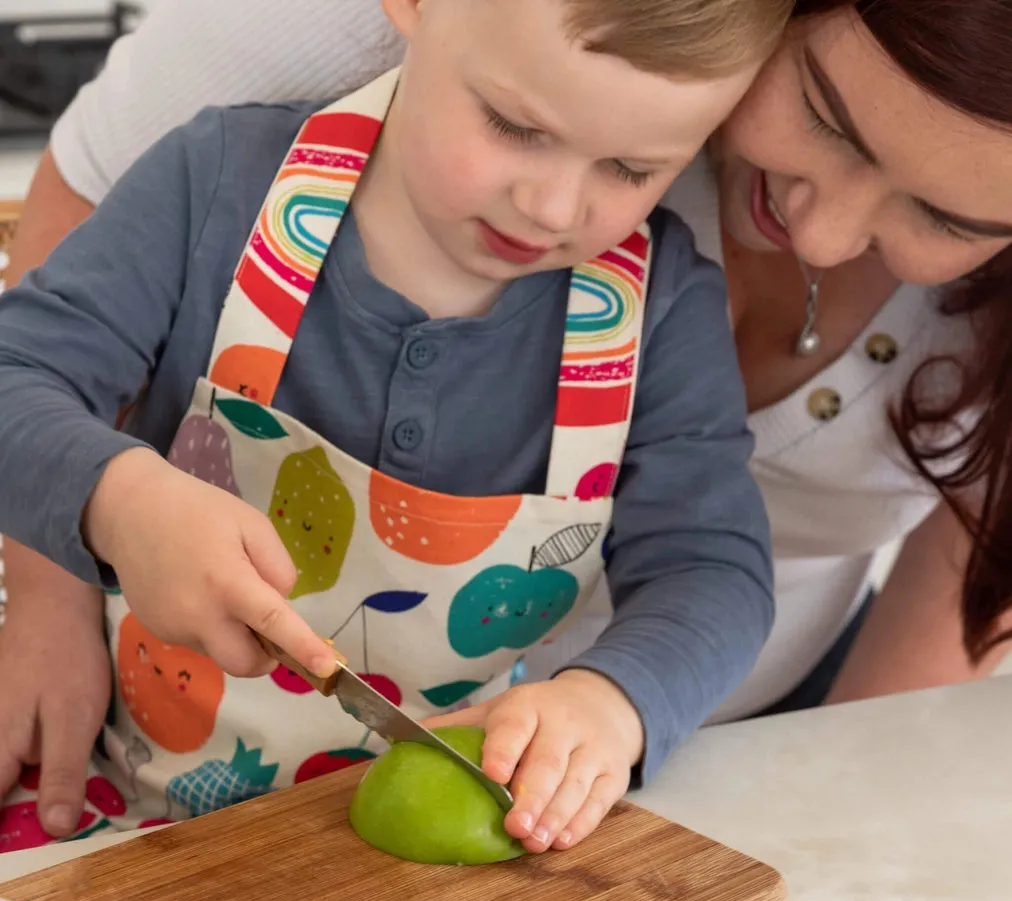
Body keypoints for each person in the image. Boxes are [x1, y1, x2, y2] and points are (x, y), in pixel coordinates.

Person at [6, 0, 1012, 838]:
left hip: (408, 861)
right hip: (103, 796)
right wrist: (115, 497)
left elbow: (712, 569)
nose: (551, 204)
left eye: (630, 169)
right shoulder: (215, 182)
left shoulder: (656, 308)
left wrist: (611, 700)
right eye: (517, 126)